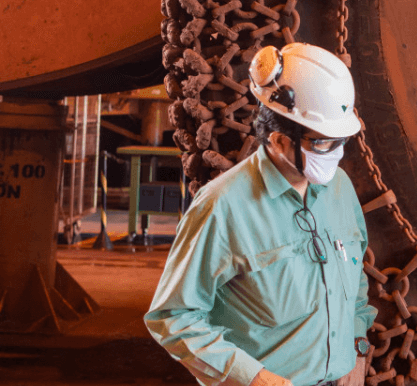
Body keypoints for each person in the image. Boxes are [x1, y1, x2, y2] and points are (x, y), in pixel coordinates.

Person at [145, 43, 377, 386]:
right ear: (281, 141)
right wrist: (255, 379)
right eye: (324, 143)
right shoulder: (223, 206)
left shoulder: (339, 189)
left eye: (342, 140)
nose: (338, 154)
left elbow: (354, 279)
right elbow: (173, 317)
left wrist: (356, 348)